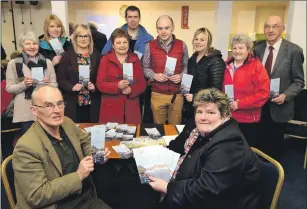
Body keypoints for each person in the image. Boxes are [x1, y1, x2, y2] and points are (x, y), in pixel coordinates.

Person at [149, 88, 260, 209]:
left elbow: (207, 189)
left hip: (218, 202)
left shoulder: (229, 144)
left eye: (211, 112)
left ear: (224, 115)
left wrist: (167, 188)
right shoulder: (196, 128)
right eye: (199, 111)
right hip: (188, 186)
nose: (203, 117)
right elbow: (175, 147)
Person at [12, 85, 112, 209]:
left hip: (85, 199)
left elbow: (85, 140)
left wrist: (95, 153)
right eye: (48, 105)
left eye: (59, 103)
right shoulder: (26, 147)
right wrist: (78, 175)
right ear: (34, 110)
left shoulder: (66, 122)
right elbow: (37, 196)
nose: (57, 110)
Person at [253, 16, 305, 160]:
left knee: (274, 149)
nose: (270, 30)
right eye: (267, 26)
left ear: (282, 29)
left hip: (279, 107)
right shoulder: (257, 50)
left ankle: (274, 177)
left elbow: (299, 82)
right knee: (257, 146)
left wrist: (285, 96)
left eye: (275, 26)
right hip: (258, 106)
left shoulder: (294, 51)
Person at [6, 31, 57, 136]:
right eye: (27, 43)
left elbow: (55, 85)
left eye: (34, 43)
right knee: (31, 143)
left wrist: (48, 85)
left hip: (45, 108)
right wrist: (23, 84)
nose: (32, 46)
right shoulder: (14, 63)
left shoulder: (47, 62)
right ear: (21, 46)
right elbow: (9, 88)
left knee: (48, 141)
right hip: (25, 111)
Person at [223, 33, 270, 148]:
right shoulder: (225, 65)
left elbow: (263, 94)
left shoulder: (257, 66)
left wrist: (239, 104)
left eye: (241, 48)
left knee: (245, 153)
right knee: (228, 150)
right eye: (234, 48)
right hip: (228, 118)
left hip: (247, 120)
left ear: (248, 49)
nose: (237, 51)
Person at [143, 15, 189, 125]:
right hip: (157, 94)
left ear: (173, 27)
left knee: (175, 130)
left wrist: (181, 76)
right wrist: (154, 75)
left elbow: (186, 66)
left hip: (177, 95)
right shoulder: (149, 46)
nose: (163, 31)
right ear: (157, 29)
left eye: (166, 28)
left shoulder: (182, 45)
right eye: (160, 28)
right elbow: (145, 68)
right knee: (158, 130)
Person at [96, 28, 146, 124]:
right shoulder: (105, 60)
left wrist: (132, 90)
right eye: (118, 43)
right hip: (111, 109)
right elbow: (100, 84)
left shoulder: (135, 59)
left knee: (132, 137)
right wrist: (117, 86)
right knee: (111, 138)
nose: (122, 45)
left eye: (125, 42)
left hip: (131, 109)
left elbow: (142, 84)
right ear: (113, 45)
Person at [57, 24, 102, 123]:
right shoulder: (67, 55)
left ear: (90, 38)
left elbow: (102, 78)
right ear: (75, 38)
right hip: (73, 102)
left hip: (92, 103)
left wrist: (95, 86)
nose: (83, 39)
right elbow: (60, 79)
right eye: (80, 36)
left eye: (86, 36)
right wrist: (71, 87)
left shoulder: (96, 55)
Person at [183, 27, 225, 123]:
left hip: (206, 109)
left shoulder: (216, 61)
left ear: (208, 42)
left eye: (202, 40)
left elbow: (216, 89)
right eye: (196, 39)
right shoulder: (192, 59)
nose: (198, 42)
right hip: (190, 107)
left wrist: (195, 97)